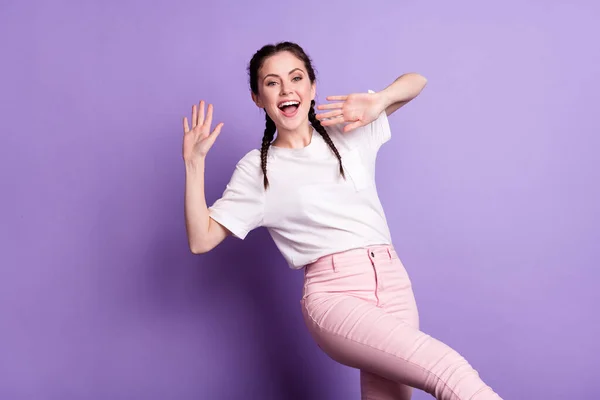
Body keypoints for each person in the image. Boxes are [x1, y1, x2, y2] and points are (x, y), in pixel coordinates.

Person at [181, 41, 502, 400]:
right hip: (335, 295)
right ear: (258, 98)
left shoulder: (347, 128)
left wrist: (379, 100)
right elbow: (201, 239)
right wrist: (194, 164)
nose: (287, 89)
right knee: (447, 369)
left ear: (312, 87)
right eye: (272, 83)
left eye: (296, 77)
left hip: (394, 284)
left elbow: (418, 81)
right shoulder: (258, 168)